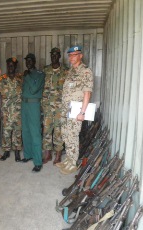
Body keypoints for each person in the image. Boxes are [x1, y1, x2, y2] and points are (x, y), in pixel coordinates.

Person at [59, 45, 93, 174]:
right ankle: (68, 159)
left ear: (80, 56)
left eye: (74, 55)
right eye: (70, 55)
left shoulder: (85, 71)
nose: (71, 58)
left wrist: (82, 112)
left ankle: (72, 163)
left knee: (73, 135)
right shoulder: (71, 71)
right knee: (66, 135)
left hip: (76, 110)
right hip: (66, 109)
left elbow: (87, 93)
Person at [41, 47, 67, 165]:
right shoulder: (45, 70)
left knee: (58, 131)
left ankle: (58, 155)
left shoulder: (65, 71)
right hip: (47, 107)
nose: (54, 57)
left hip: (60, 108)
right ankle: (47, 154)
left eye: (56, 55)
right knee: (46, 130)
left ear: (60, 56)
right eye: (52, 55)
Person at [21, 53, 45, 172]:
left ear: (34, 61)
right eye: (27, 61)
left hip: (34, 104)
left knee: (35, 132)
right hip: (24, 104)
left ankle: (38, 162)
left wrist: (28, 77)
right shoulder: (25, 74)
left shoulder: (39, 74)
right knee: (25, 131)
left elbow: (35, 89)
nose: (28, 62)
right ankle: (28, 155)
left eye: (30, 60)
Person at [0, 57, 23, 162]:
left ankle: (17, 151)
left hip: (18, 111)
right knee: (6, 131)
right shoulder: (2, 79)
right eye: (9, 65)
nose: (10, 67)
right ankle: (6, 151)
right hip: (7, 111)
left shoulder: (20, 78)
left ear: (15, 66)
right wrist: (0, 109)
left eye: (12, 65)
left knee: (17, 131)